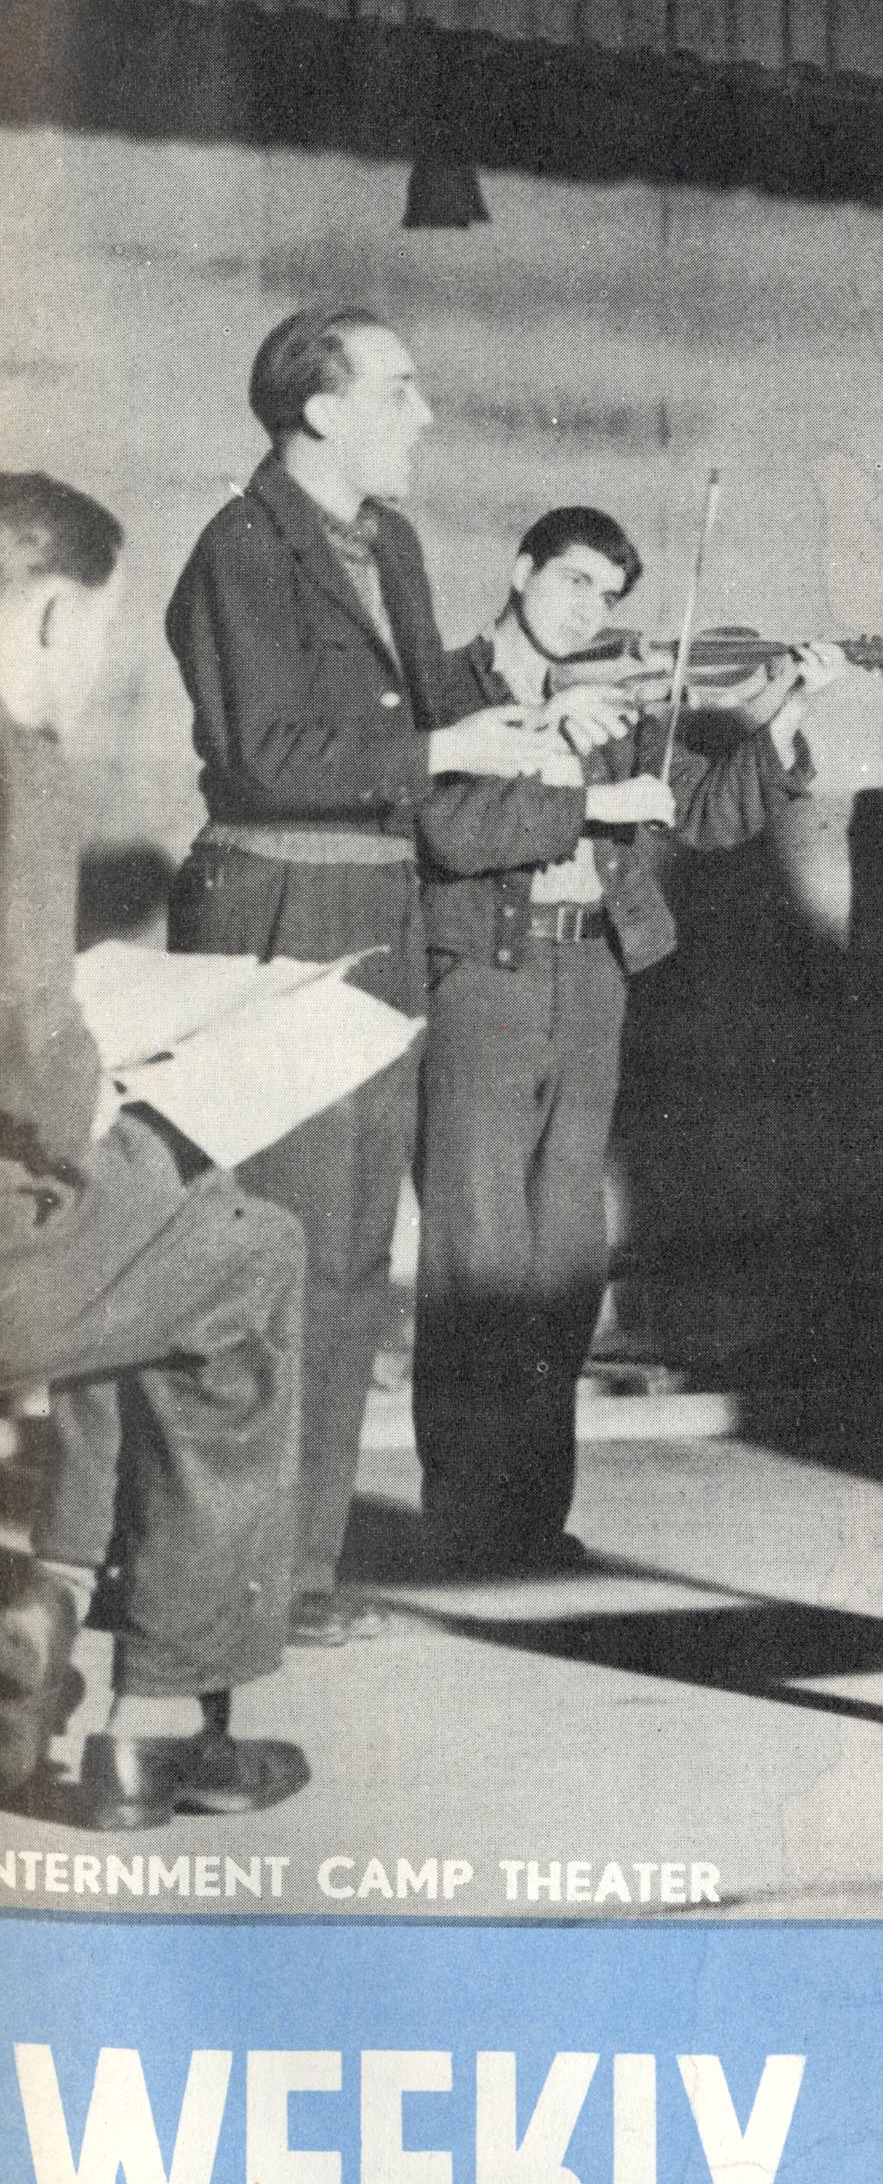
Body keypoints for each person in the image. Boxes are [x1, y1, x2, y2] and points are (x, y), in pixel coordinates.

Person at [163, 308, 623, 1645]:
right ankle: (226, 1573)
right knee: (281, 1246)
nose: (424, 415)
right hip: (279, 907)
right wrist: (448, 750)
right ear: (319, 410)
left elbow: (429, 715)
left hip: (379, 909)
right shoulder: (240, 550)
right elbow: (265, 758)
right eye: (399, 391)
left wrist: (530, 724)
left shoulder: (394, 546)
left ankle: (300, 1573)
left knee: (358, 1258)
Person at [412, 506, 839, 1575]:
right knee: (476, 1255)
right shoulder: (447, 690)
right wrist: (583, 786)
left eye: (607, 597)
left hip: (592, 973)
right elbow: (449, 828)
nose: (588, 612)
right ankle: (463, 1521)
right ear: (520, 570)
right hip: (484, 977)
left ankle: (530, 1520)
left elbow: (710, 811)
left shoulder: (622, 703)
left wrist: (784, 712)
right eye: (573, 583)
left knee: (565, 1260)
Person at [0, 473, 312, 1827]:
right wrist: (97, 1096)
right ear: (53, 617)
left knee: (148, 1243)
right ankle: (162, 1720)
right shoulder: (19, 764)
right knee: (250, 1254)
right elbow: (26, 1033)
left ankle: (44, 1611)